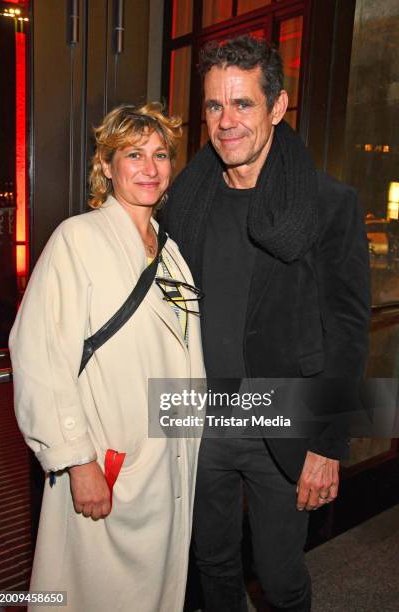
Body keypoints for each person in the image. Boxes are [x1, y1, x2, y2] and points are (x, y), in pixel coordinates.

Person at [162, 36, 370, 611]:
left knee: (280, 580)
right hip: (198, 418)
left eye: (244, 104)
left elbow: (348, 332)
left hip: (283, 421)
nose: (226, 122)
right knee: (212, 566)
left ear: (278, 107)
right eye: (213, 106)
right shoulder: (186, 200)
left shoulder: (329, 204)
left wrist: (328, 443)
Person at [9, 103, 205, 612]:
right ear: (106, 166)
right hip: (108, 463)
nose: (150, 167)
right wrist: (77, 460)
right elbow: (39, 357)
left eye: (161, 154)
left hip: (168, 464)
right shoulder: (77, 240)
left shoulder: (170, 250)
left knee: (157, 592)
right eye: (133, 154)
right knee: (93, 594)